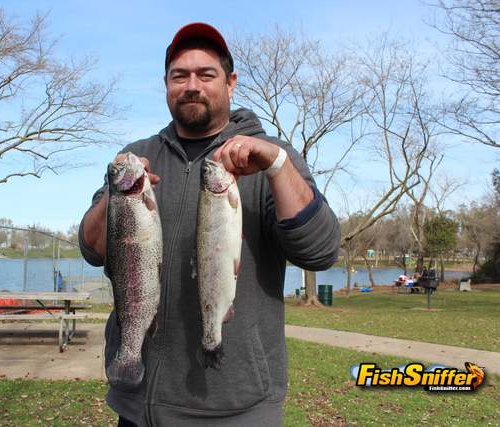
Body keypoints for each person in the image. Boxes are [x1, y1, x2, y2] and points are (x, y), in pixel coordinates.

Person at [78, 23, 341, 426]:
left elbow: (320, 250)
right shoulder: (136, 158)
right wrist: (118, 194)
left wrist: (275, 166)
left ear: (230, 82)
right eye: (179, 76)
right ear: (165, 84)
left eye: (206, 74)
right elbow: (93, 250)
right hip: (139, 407)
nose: (191, 85)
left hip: (237, 409)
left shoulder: (273, 158)